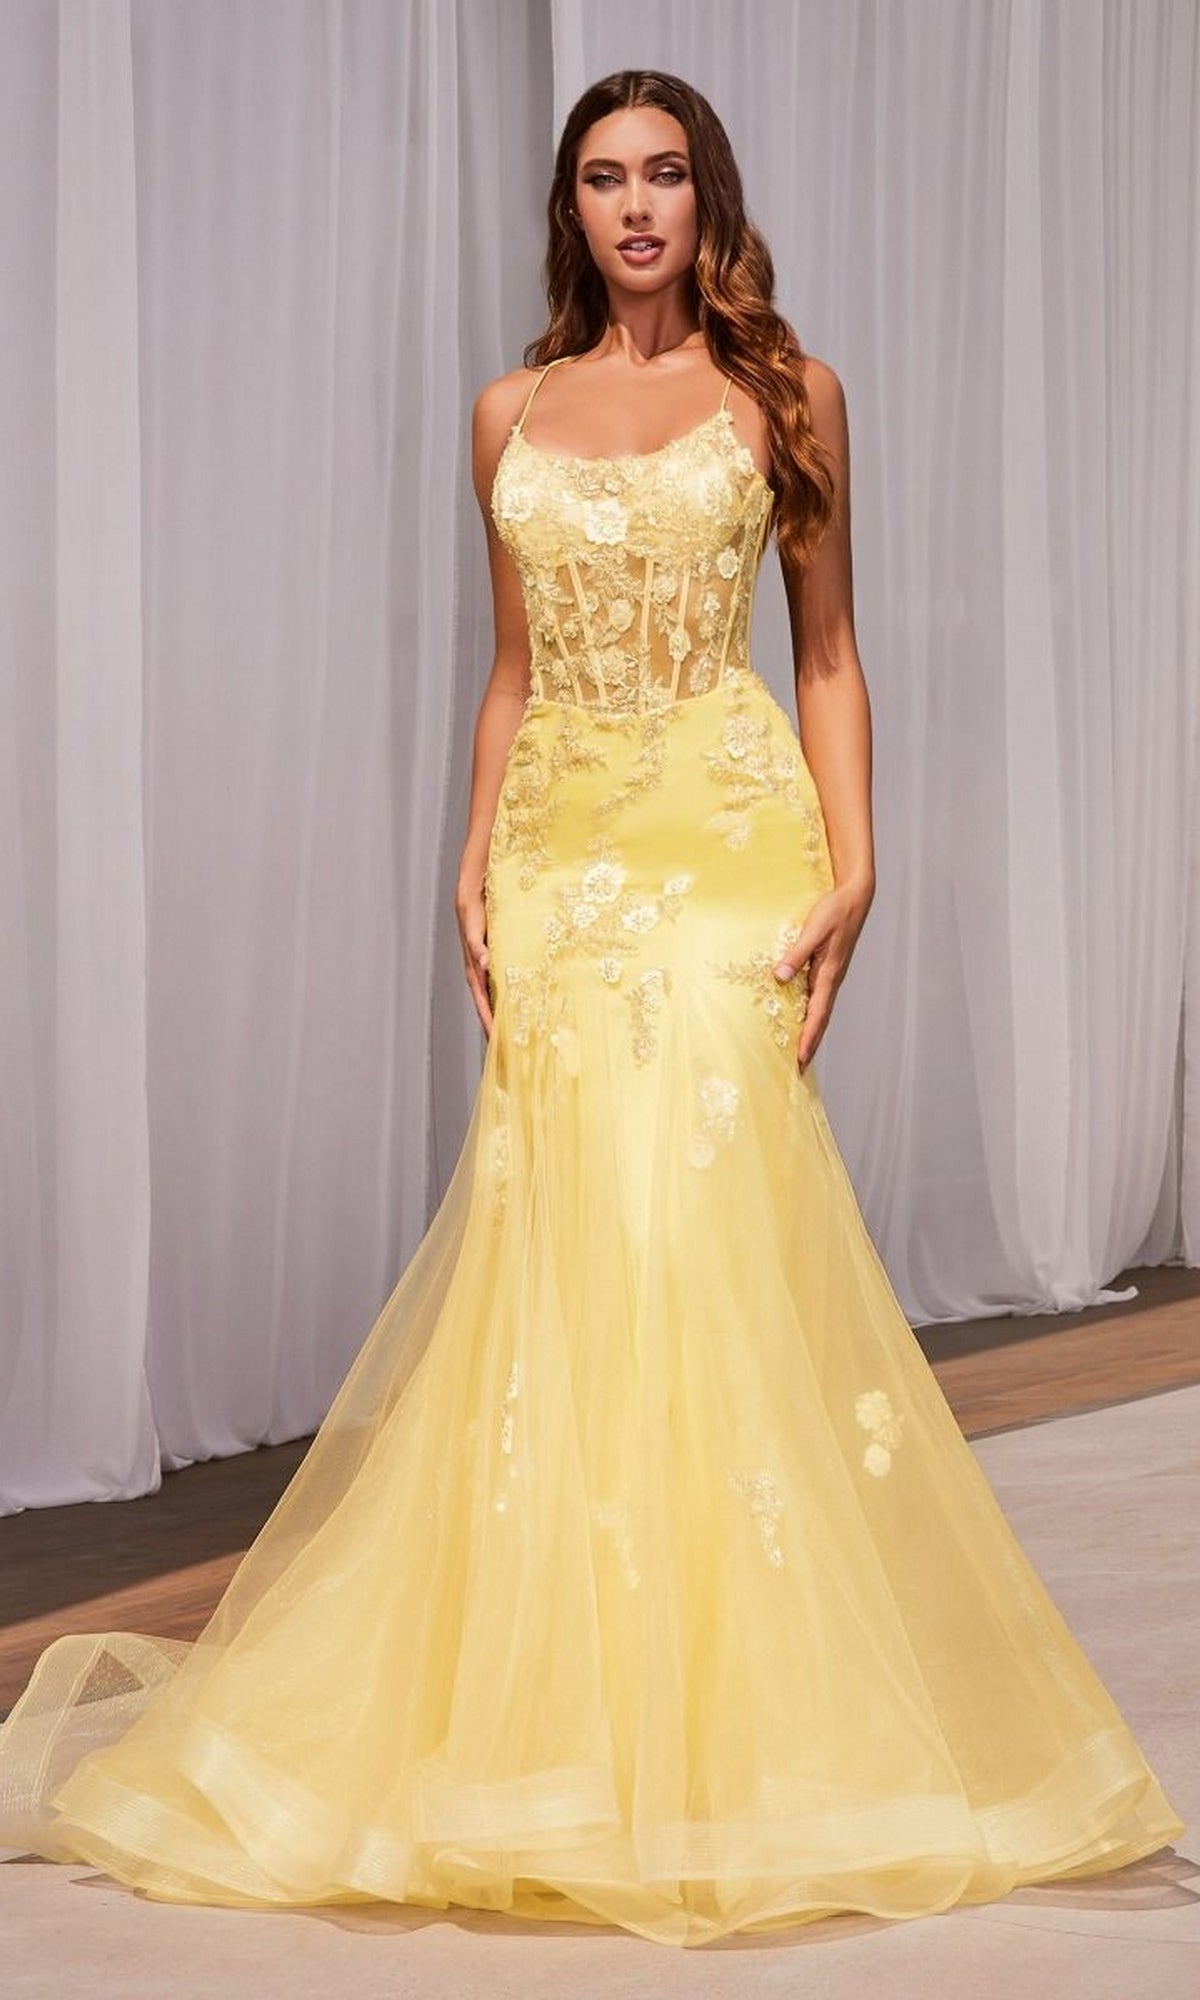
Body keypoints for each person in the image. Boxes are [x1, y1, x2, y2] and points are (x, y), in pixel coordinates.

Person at [0, 68, 1184, 1952]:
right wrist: (468, 853)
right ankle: (560, 1708)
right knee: (565, 1245)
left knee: (698, 1215)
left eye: (669, 177)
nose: (640, 208)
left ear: (712, 200)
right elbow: (511, 671)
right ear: (572, 211)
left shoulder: (789, 396)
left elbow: (827, 652)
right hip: (556, 854)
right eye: (606, 181)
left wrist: (855, 860)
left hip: (724, 840)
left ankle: (737, 1715)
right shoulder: (511, 409)